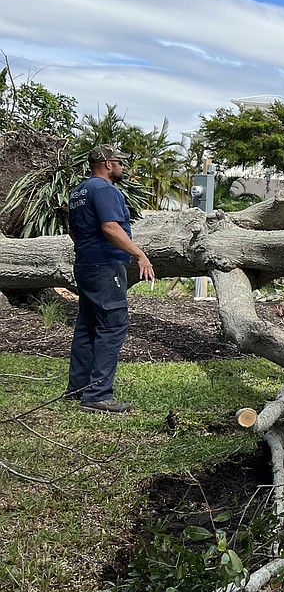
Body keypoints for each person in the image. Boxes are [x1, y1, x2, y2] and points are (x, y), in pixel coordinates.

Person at [64, 145, 155, 414]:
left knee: (87, 327)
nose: (123, 168)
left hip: (86, 265)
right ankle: (98, 394)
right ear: (106, 163)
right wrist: (140, 254)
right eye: (120, 162)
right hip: (105, 267)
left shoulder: (79, 191)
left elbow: (73, 230)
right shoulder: (105, 190)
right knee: (112, 325)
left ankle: (78, 389)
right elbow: (110, 227)